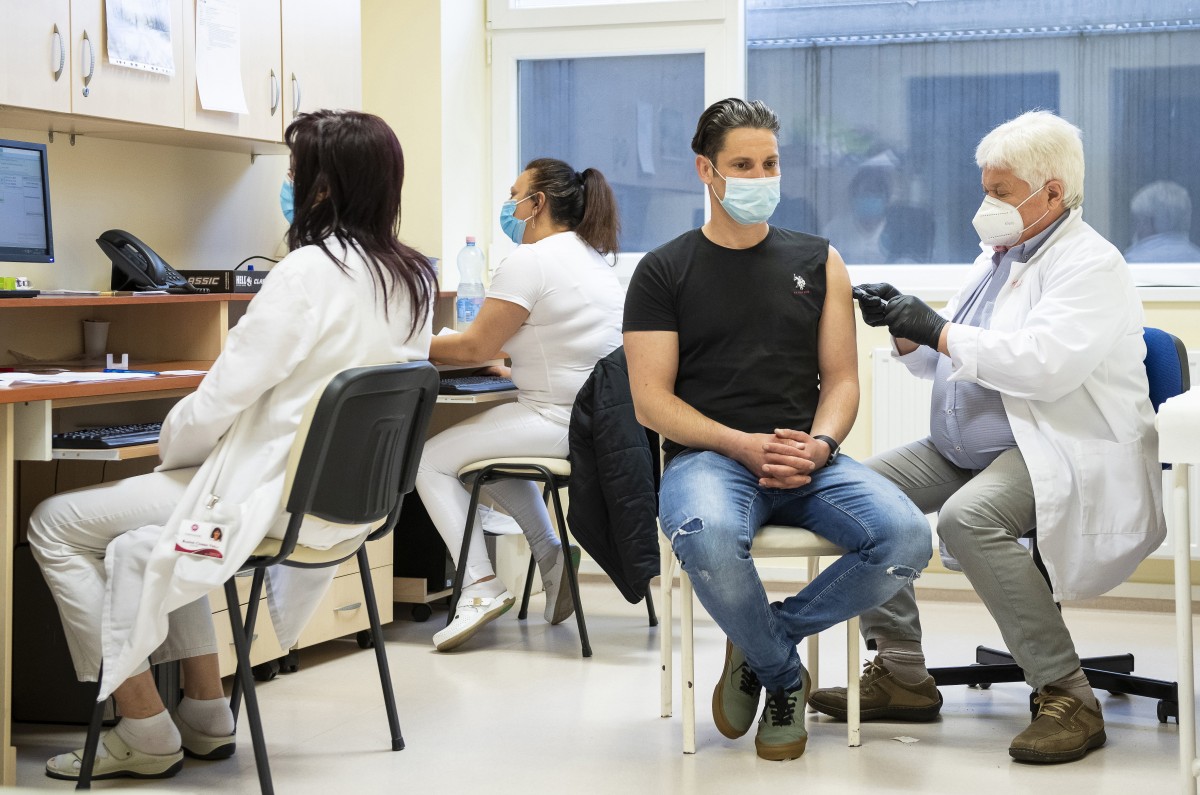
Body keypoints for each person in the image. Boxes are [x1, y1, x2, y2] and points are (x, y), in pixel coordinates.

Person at [27, 109, 436, 781]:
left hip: (270, 498)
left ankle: (141, 725)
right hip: (347, 507)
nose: (290, 185)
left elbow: (219, 399)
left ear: (324, 187)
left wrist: (169, 448)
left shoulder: (306, 272)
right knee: (157, 536)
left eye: (296, 173)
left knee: (54, 523)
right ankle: (206, 712)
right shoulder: (412, 279)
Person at [810, 110, 1166, 764]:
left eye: (1001, 192)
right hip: (967, 447)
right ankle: (902, 672)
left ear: (1052, 193)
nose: (987, 205)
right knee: (852, 493)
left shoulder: (1091, 264)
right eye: (986, 189)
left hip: (1055, 442)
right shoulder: (998, 258)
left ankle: (1068, 694)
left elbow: (1041, 365)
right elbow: (949, 354)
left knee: (968, 519)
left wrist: (938, 329)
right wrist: (907, 327)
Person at [623, 97, 931, 762]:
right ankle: (786, 677)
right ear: (706, 170)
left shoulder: (820, 260)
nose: (760, 178)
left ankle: (761, 639)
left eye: (769, 164)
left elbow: (841, 381)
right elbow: (650, 401)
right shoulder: (662, 270)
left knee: (908, 537)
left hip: (806, 456)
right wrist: (739, 443)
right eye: (743, 165)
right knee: (706, 537)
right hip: (710, 457)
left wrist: (821, 445)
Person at [415, 157, 624, 652]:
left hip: (556, 421)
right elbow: (570, 351)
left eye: (514, 195)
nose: (508, 205)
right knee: (485, 457)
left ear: (537, 203)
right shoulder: (592, 259)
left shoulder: (531, 260)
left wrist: (404, 341)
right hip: (596, 422)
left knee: (428, 461)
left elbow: (474, 347)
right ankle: (551, 556)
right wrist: (510, 372)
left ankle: (480, 586)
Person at [821, 164, 892, 263]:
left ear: (887, 200)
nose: (871, 198)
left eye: (876, 193)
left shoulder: (894, 231)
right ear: (853, 197)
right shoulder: (834, 230)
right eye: (866, 193)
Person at [1124, 179, 1200, 263]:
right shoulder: (1197, 258)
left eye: (1137, 221)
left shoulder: (1131, 262)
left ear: (1148, 222)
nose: (1136, 229)